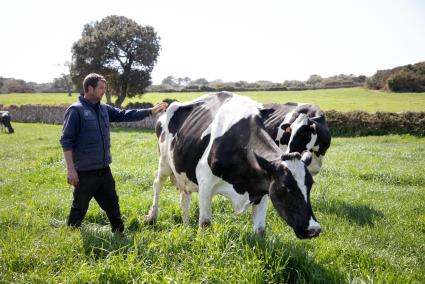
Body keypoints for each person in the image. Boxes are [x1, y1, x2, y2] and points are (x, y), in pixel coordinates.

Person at [59, 73, 167, 233]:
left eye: (104, 88)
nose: (104, 91)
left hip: (104, 169)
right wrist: (70, 169)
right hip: (84, 172)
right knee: (79, 207)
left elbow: (125, 115)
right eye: (101, 88)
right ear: (90, 88)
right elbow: (66, 142)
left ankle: (119, 233)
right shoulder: (76, 111)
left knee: (113, 203)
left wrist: (150, 111)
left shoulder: (104, 109)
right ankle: (70, 234)